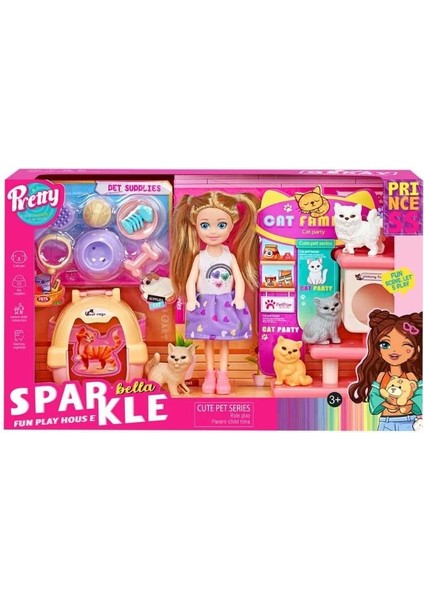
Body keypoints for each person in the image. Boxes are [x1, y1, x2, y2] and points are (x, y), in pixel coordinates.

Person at [170, 192, 259, 394]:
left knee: (225, 341)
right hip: (206, 304)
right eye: (204, 225)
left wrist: (238, 297)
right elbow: (191, 280)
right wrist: (191, 299)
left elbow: (239, 279)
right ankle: (210, 374)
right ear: (196, 225)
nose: (212, 231)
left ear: (232, 224)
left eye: (221, 225)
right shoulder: (199, 257)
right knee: (208, 341)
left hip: (226, 303)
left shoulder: (230, 257)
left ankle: (223, 374)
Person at [349, 310, 422, 431]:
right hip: (386, 422)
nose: (394, 351)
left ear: (417, 349)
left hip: (409, 421)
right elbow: (374, 403)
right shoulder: (381, 376)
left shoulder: (411, 376)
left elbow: (420, 401)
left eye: (406, 344)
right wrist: (387, 403)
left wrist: (407, 404)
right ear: (378, 348)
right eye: (385, 344)